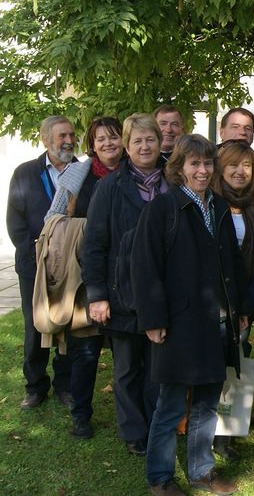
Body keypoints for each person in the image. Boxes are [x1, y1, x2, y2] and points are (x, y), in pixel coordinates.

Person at [132, 134, 247, 496]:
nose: (202, 170)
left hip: (217, 322)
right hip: (179, 324)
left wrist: (240, 310)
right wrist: (153, 319)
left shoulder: (220, 207)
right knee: (169, 405)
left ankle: (201, 471)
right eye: (194, 163)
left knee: (207, 402)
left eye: (207, 163)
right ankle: (160, 478)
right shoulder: (163, 209)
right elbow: (145, 267)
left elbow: (233, 264)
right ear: (179, 168)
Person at [82, 113, 167, 456]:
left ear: (159, 142)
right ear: (127, 147)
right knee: (128, 368)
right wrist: (97, 295)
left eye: (150, 139)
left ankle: (156, 425)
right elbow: (94, 244)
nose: (144, 146)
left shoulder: (174, 182)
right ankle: (134, 431)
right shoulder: (110, 186)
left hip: (163, 293)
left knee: (158, 367)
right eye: (137, 141)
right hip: (122, 294)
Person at [45, 116, 125, 439]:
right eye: (100, 139)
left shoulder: (135, 173)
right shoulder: (78, 174)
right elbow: (52, 219)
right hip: (86, 275)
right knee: (86, 351)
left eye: (113, 137)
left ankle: (129, 417)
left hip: (125, 276)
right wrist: (85, 229)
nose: (108, 144)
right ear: (92, 144)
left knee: (125, 352)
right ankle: (81, 415)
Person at [210, 139, 254, 460]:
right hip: (211, 303)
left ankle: (225, 434)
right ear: (220, 169)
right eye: (233, 165)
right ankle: (199, 426)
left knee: (235, 364)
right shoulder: (208, 204)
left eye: (246, 165)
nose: (240, 171)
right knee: (208, 366)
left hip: (244, 306)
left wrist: (247, 305)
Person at [7, 115, 76, 410]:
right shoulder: (25, 173)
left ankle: (65, 385)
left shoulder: (82, 171)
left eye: (71, 135)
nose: (69, 141)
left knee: (68, 325)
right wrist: (33, 254)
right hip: (33, 266)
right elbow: (15, 220)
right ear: (45, 139)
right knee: (35, 326)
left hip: (70, 266)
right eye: (62, 136)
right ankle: (35, 386)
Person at [219, 107, 254, 199]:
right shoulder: (208, 161)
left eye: (247, 128)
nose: (242, 132)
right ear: (221, 132)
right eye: (235, 127)